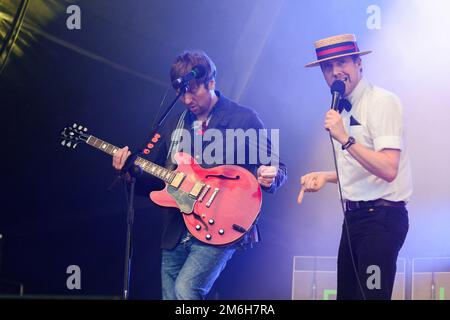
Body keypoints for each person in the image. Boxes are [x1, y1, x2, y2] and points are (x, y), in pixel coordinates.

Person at [112, 50, 287, 300]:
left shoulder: (243, 118)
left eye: (193, 90)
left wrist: (271, 174)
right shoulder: (175, 123)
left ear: (211, 83)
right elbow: (158, 179)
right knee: (172, 297)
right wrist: (130, 172)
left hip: (221, 224)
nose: (187, 98)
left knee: (187, 291)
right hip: (176, 228)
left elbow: (277, 166)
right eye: (181, 93)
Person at [300, 34, 412, 299]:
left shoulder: (382, 102)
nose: (335, 72)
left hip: (381, 220)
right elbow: (366, 165)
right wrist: (327, 177)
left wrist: (345, 139)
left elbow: (388, 168)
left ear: (359, 63)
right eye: (327, 67)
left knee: (372, 296)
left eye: (341, 63)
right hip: (353, 220)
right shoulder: (343, 109)